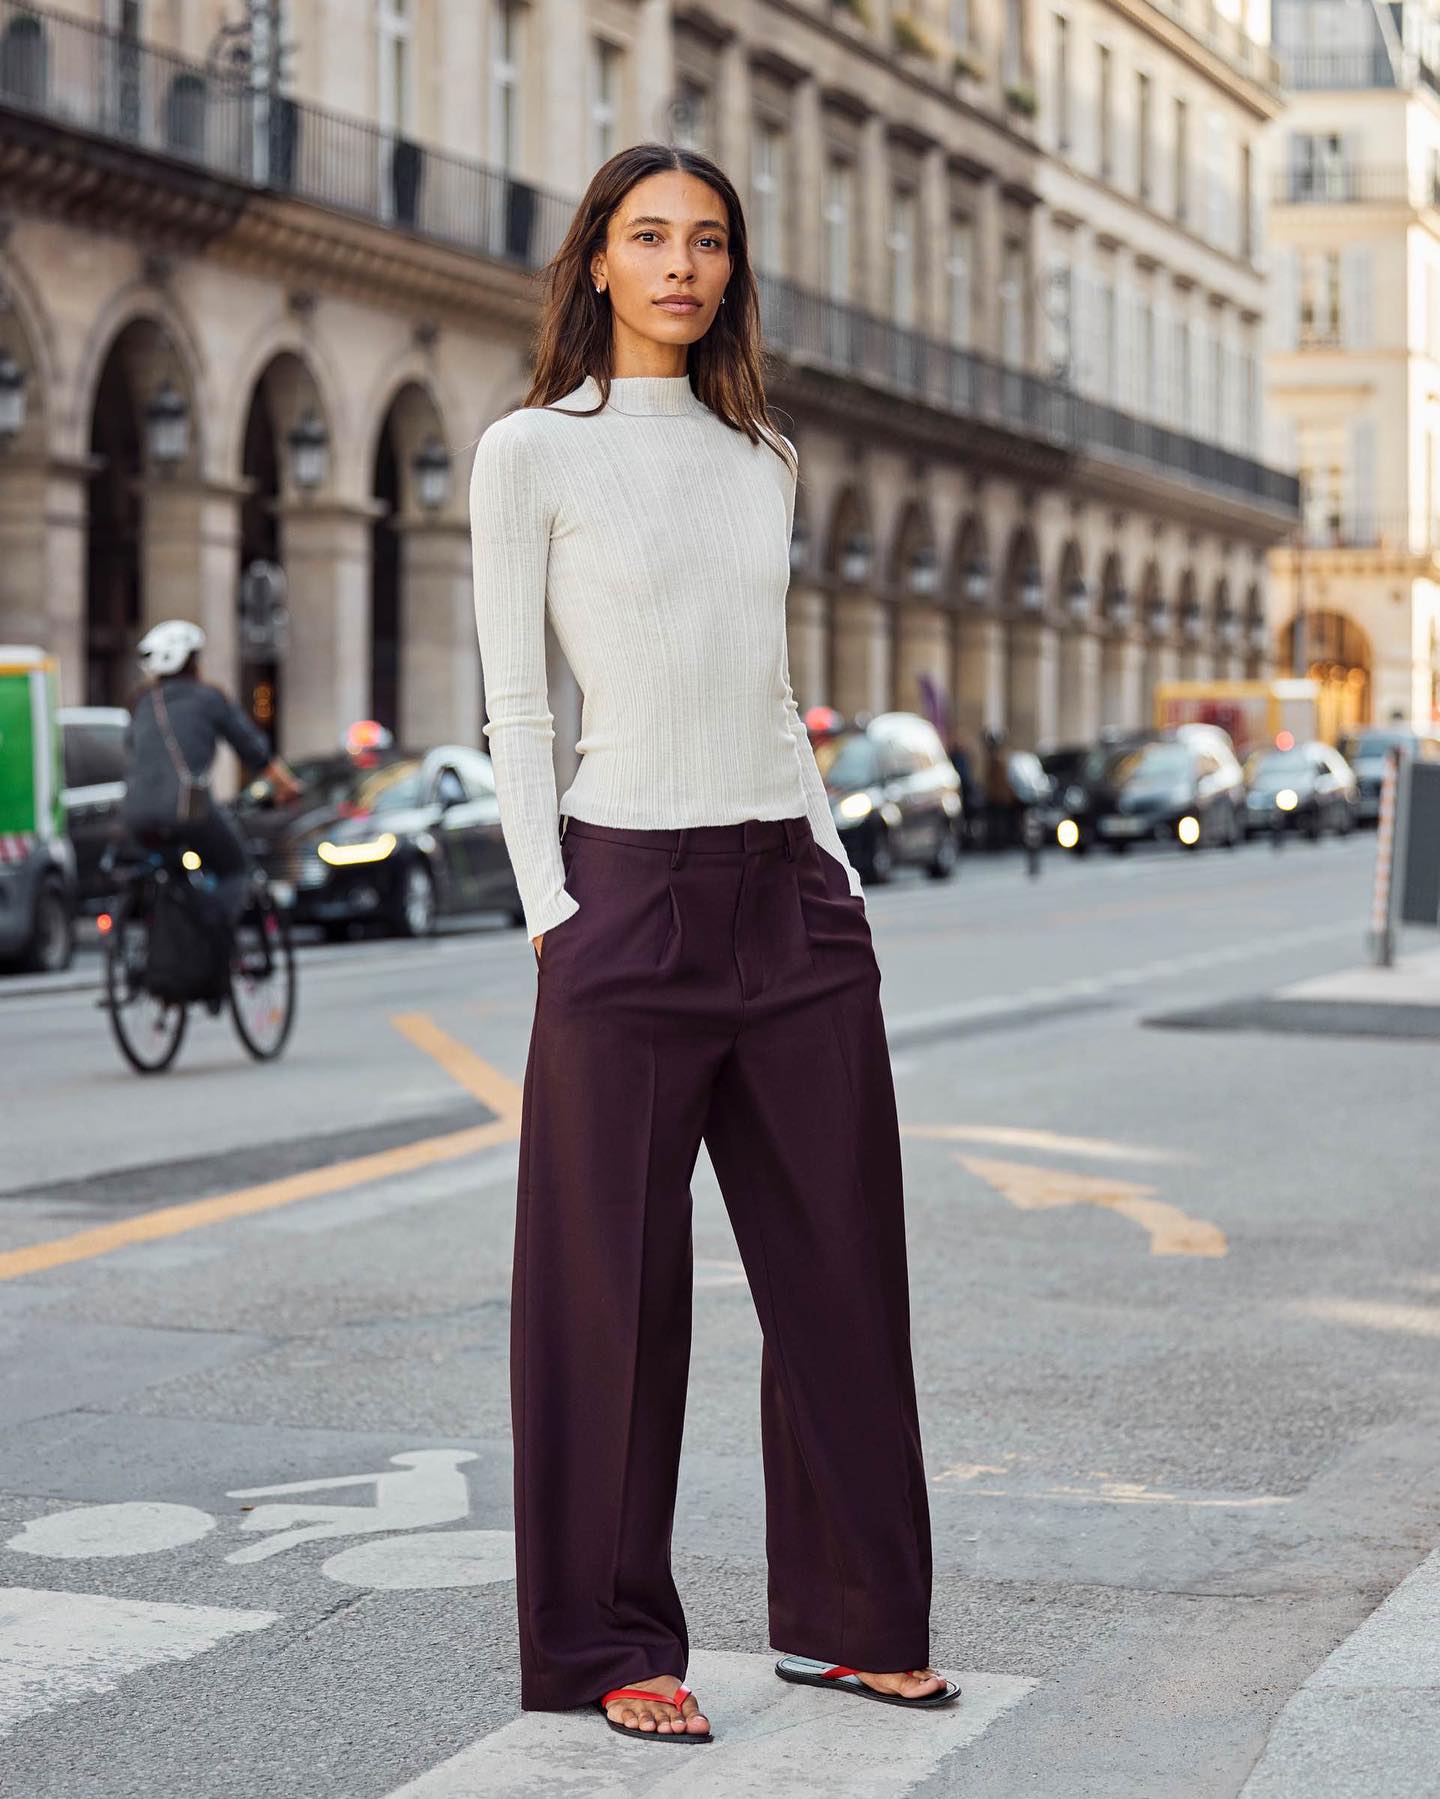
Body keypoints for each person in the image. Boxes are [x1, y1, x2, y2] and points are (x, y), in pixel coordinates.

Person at [469, 145, 957, 1746]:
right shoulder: (532, 451)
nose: (682, 264)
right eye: (650, 236)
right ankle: (612, 1639)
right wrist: (551, 907)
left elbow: (766, 681)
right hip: (623, 891)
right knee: (611, 1290)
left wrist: (836, 868)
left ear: (733, 269)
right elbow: (521, 701)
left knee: (843, 1268)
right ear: (598, 261)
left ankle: (857, 1616)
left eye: (709, 240)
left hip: (791, 894)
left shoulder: (766, 458)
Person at [121, 618, 300, 933]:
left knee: (170, 871)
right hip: (186, 811)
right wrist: (287, 787)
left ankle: (169, 930)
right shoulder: (207, 698)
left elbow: (131, 749)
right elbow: (252, 749)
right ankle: (211, 937)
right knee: (235, 868)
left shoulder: (143, 703)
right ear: (192, 661)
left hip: (135, 815)